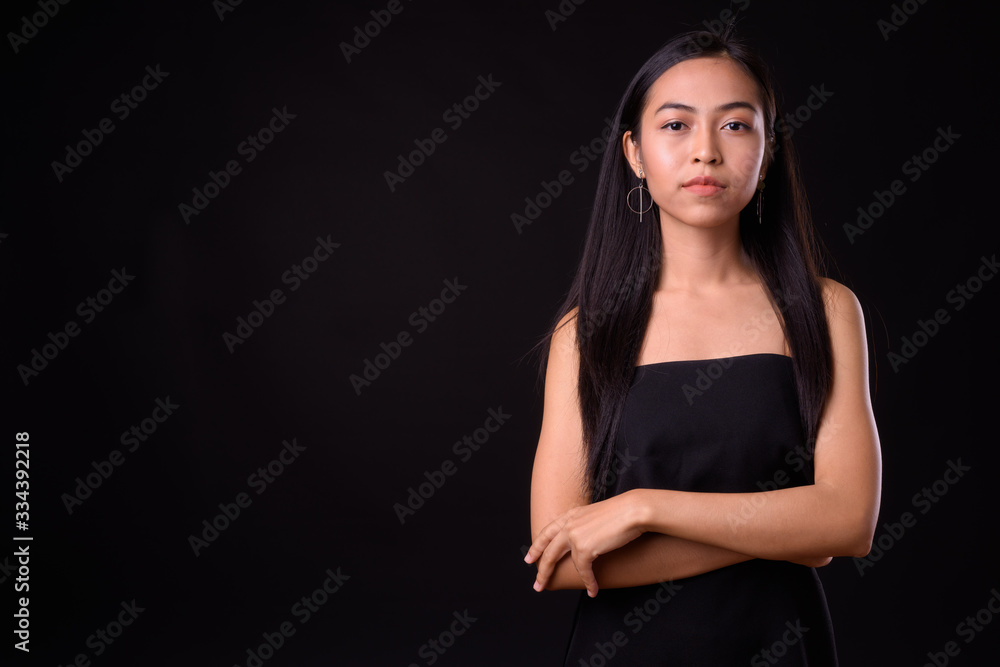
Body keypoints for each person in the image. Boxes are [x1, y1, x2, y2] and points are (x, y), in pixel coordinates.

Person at [523, 24, 881, 666]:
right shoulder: (585, 335)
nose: (706, 153)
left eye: (737, 125)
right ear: (634, 152)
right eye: (675, 125)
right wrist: (789, 530)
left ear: (768, 152)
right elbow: (563, 561)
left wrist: (643, 509)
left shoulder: (826, 311)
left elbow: (849, 521)